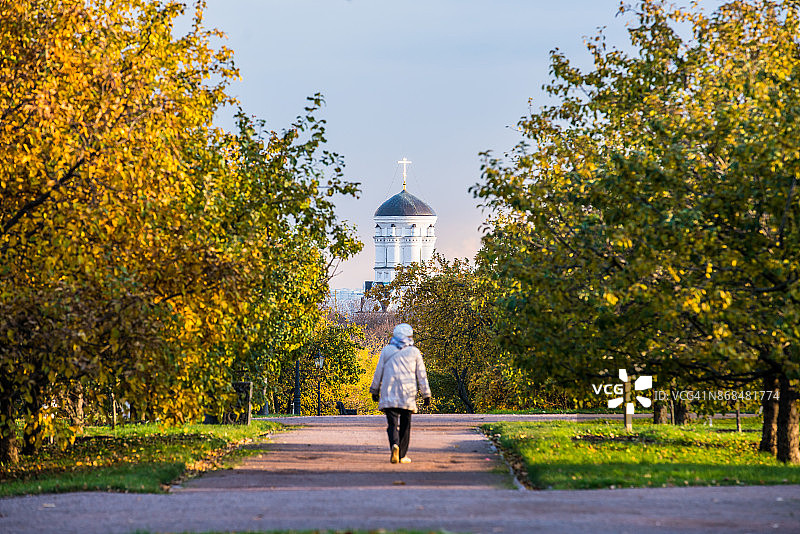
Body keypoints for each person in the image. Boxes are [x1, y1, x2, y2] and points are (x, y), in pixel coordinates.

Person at [370, 323, 431, 464]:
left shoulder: (386, 350)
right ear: (410, 337)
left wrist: (374, 390)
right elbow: (421, 375)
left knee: (392, 424)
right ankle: (402, 455)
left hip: (389, 392)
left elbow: (378, 372)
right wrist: (426, 394)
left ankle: (394, 445)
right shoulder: (414, 352)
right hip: (407, 394)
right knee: (405, 424)